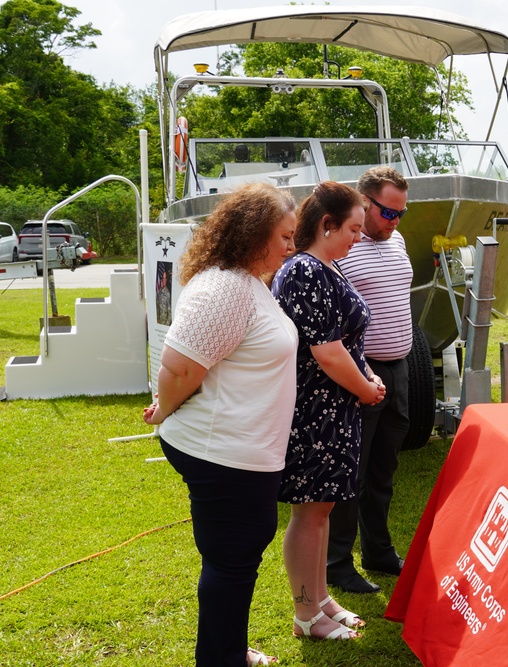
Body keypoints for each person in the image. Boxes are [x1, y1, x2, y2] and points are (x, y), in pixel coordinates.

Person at [142, 182, 298, 667]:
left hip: (240, 450)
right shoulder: (227, 287)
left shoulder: (249, 282)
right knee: (232, 561)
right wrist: (164, 409)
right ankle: (220, 658)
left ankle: (225, 648)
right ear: (254, 234)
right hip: (223, 451)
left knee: (235, 558)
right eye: (285, 236)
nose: (292, 247)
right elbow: (180, 368)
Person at [270, 181, 386, 641]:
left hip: (334, 408)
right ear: (326, 224)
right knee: (310, 514)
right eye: (354, 229)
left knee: (322, 510)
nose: (360, 236)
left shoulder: (326, 268)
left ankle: (319, 599)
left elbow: (346, 344)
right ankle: (305, 614)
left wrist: (367, 377)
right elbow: (328, 352)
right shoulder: (304, 272)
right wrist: (367, 389)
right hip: (316, 411)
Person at [327, 166, 413, 594]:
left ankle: (377, 551)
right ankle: (337, 563)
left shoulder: (395, 240)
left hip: (399, 370)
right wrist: (358, 372)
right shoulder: (344, 247)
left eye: (401, 213)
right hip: (362, 374)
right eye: (387, 213)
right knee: (350, 474)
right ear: (363, 202)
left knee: (384, 469)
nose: (394, 221)